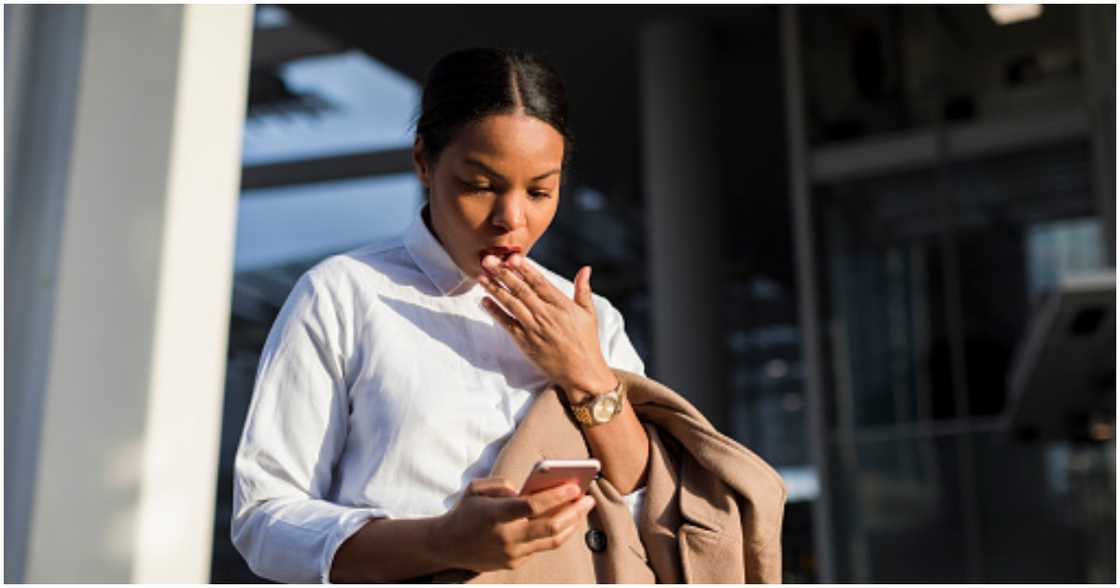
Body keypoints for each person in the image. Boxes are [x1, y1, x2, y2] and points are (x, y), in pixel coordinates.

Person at [231, 47, 655, 583]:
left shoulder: (590, 318)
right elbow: (263, 519)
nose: (512, 219)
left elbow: (652, 502)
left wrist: (587, 372)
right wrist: (442, 541)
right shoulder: (343, 295)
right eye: (481, 185)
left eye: (540, 191)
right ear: (423, 162)